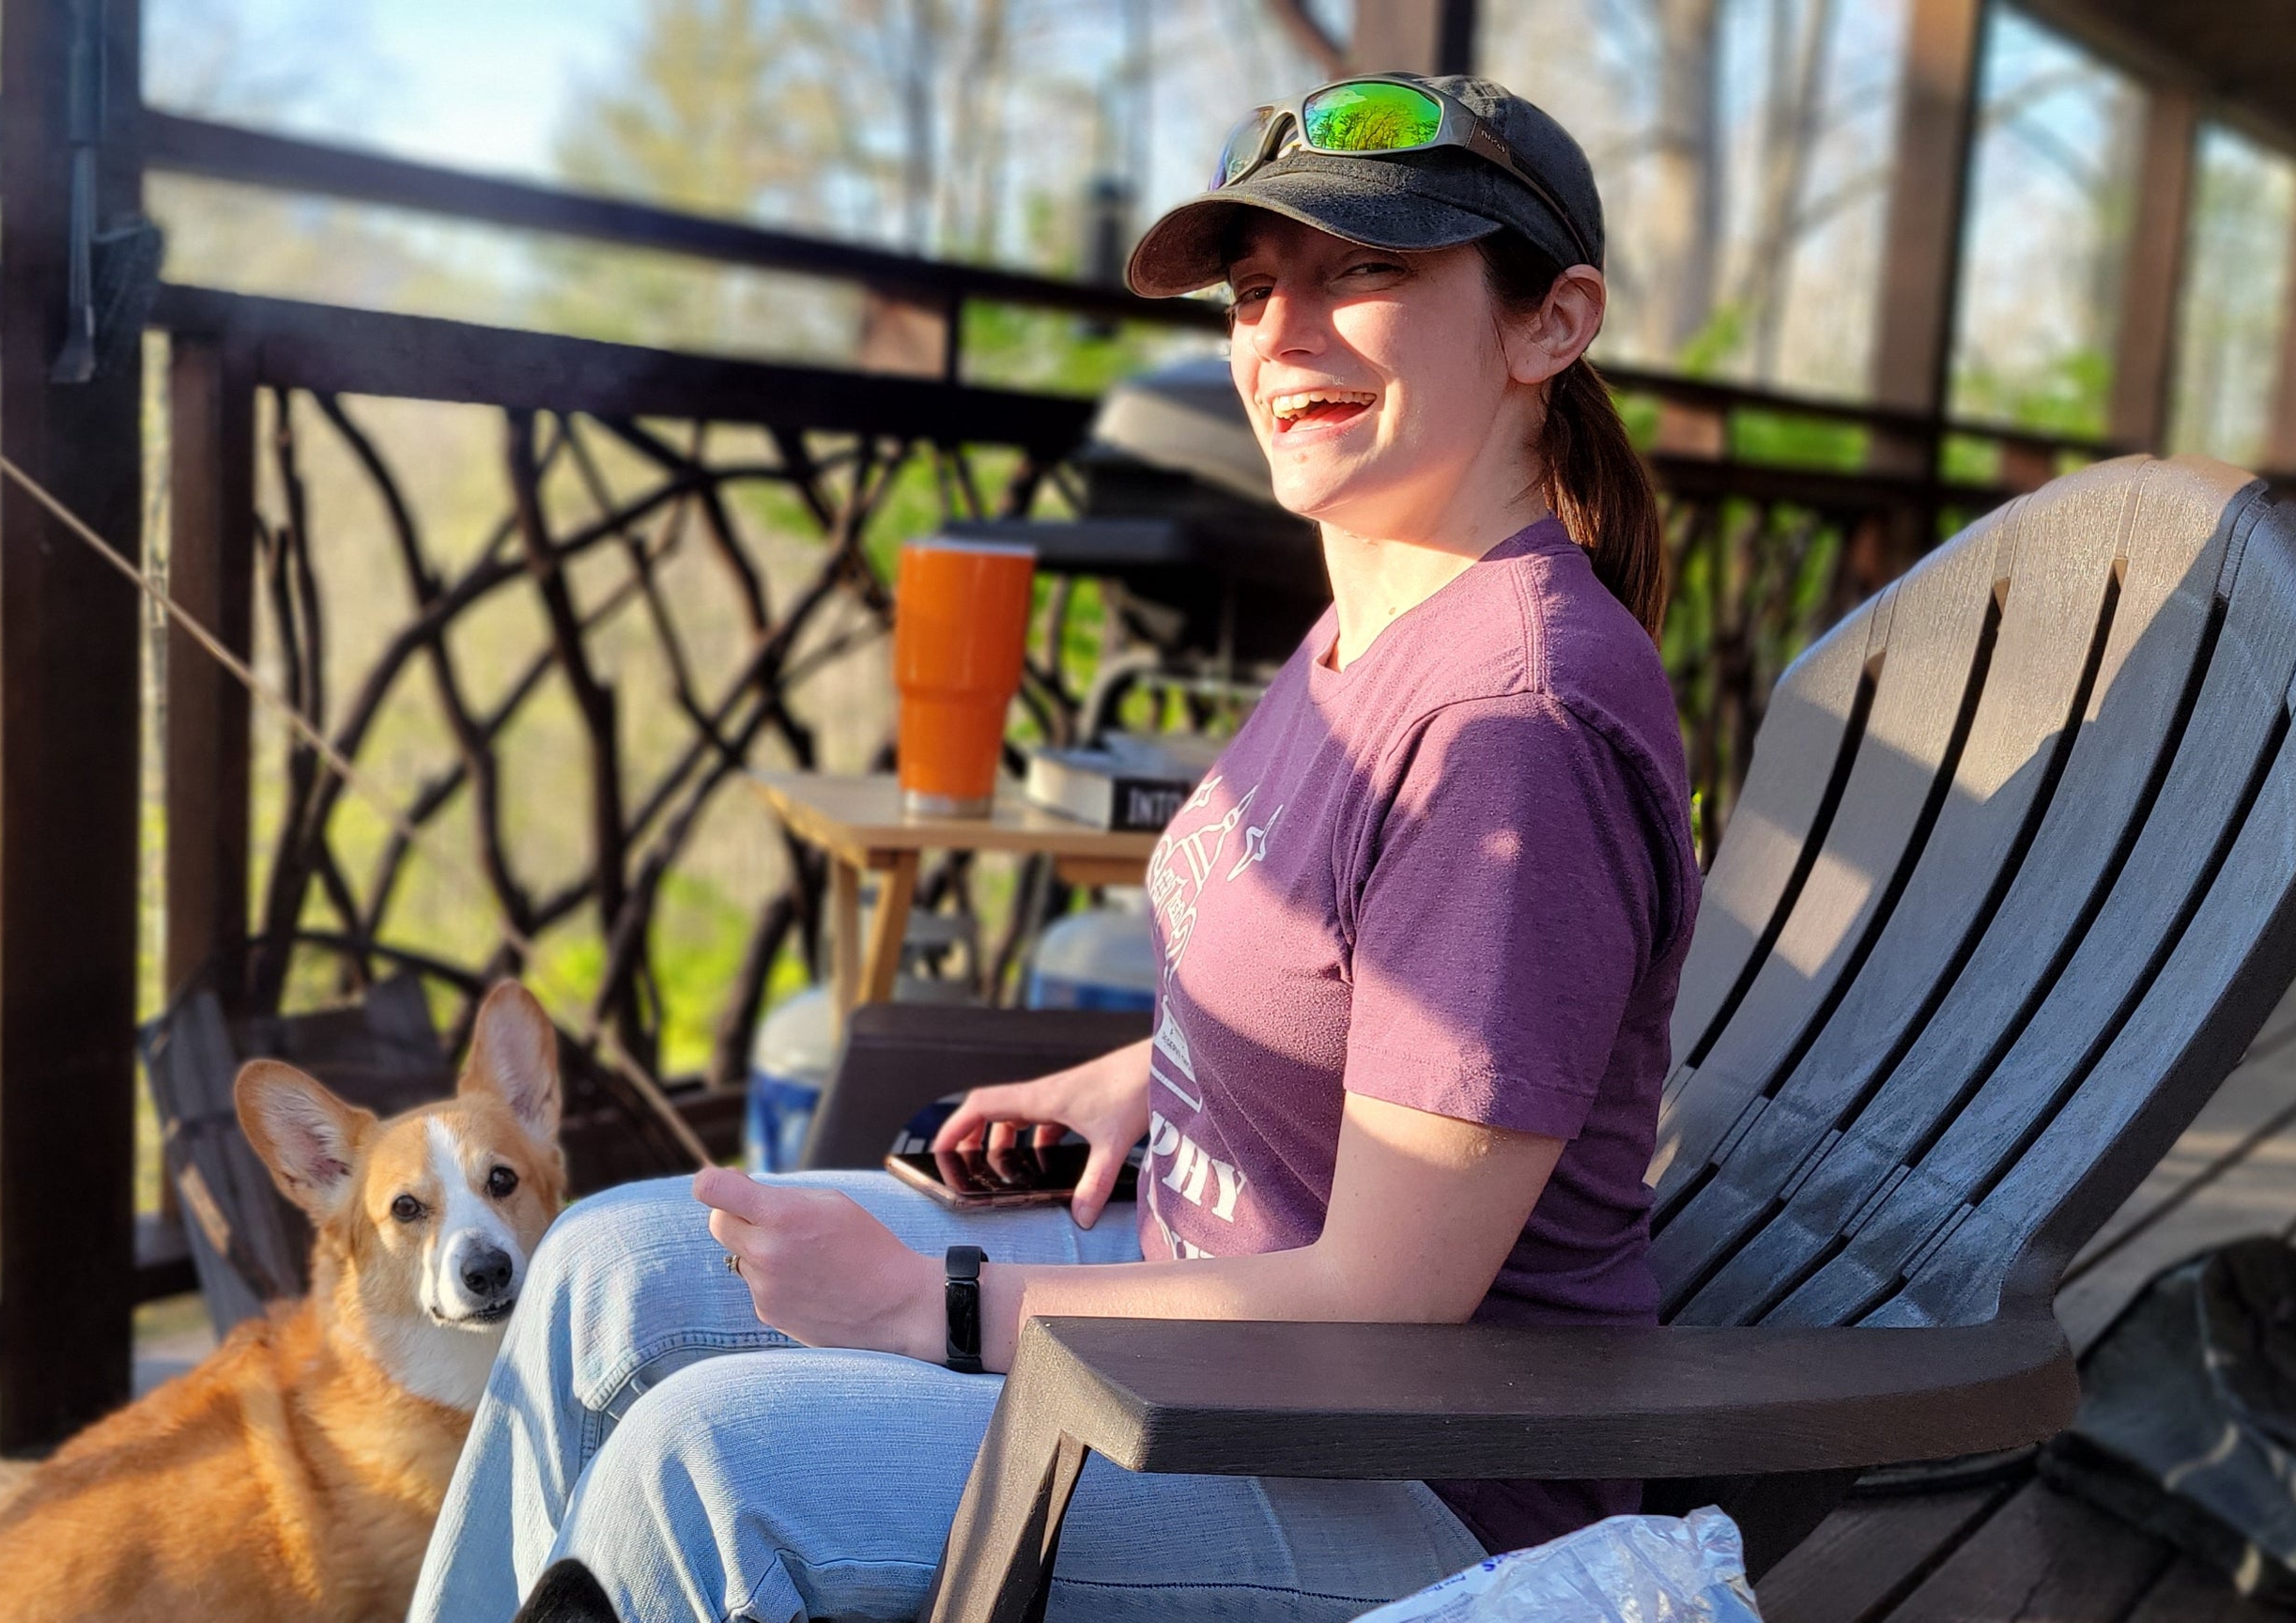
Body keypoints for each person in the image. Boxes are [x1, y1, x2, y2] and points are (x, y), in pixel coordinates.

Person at [411, 75, 1699, 1623]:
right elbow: (1357, 973)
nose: (1282, 335)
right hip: (1198, 1282)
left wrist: (931, 1304)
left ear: (1551, 325)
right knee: (605, 1266)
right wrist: (1145, 1076)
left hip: (1404, 1470)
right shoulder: (1377, 621)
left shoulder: (1513, 732)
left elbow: (1389, 1293)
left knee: (710, 1465)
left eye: (1367, 272)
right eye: (1255, 289)